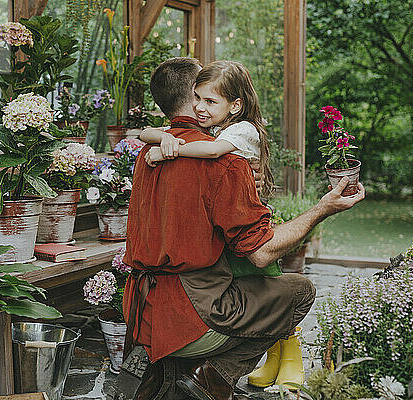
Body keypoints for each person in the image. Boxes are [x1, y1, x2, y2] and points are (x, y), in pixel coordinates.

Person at [114, 57, 365, 400]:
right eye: (203, 94)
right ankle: (210, 378)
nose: (206, 102)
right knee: (299, 292)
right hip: (190, 317)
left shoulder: (151, 152)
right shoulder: (225, 162)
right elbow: (261, 253)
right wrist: (323, 208)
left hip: (140, 313)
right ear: (194, 94)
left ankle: (168, 371)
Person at [139, 60, 283, 280]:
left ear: (234, 105)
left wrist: (171, 149)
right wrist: (165, 137)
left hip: (247, 214)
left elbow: (213, 150)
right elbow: (145, 133)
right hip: (223, 234)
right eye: (197, 97)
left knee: (256, 269)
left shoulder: (241, 129)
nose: (199, 106)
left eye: (209, 100)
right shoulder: (213, 125)